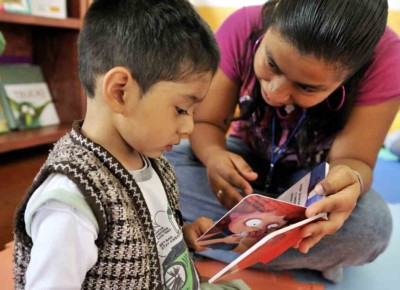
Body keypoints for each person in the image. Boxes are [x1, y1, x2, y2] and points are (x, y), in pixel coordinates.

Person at [166, 0, 400, 283]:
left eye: (307, 87)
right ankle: (289, 254)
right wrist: (214, 155)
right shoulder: (243, 26)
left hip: (314, 184)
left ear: (351, 73)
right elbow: (206, 123)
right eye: (272, 64)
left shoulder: (386, 59)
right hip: (242, 166)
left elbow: (355, 162)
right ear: (272, 14)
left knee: (372, 227)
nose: (275, 93)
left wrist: (348, 184)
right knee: (157, 163)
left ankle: (204, 242)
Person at [13, 0, 220, 289]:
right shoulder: (71, 202)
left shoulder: (151, 158)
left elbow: (144, 238)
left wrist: (181, 236)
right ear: (120, 92)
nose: (189, 127)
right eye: (182, 109)